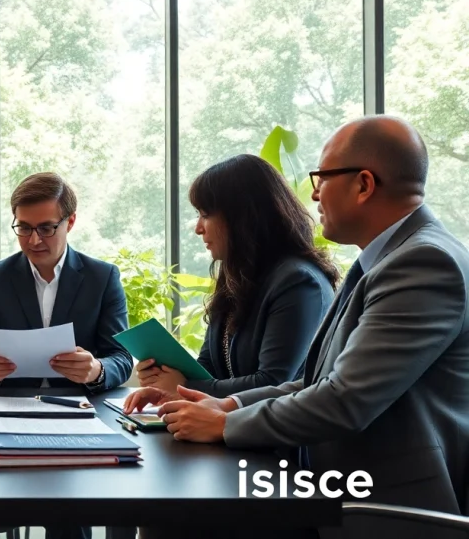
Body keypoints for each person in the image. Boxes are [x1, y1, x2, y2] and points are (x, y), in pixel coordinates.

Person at [126, 116, 469, 539]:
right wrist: (227, 407)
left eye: (321, 177)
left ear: (363, 185)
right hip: (330, 486)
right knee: (165, 516)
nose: (313, 193)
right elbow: (313, 382)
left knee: (171, 520)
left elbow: (345, 400)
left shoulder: (422, 263)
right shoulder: (381, 260)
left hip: (380, 505)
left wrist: (224, 425)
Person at [133, 154, 338, 400]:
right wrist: (164, 381)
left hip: (272, 436)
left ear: (242, 217)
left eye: (206, 215)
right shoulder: (237, 275)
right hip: (230, 430)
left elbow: (273, 382)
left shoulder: (299, 282)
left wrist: (185, 387)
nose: (198, 228)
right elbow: (208, 365)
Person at [0, 172, 133, 392]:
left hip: (81, 408)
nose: (34, 240)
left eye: (46, 228)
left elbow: (121, 357)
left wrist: (97, 370)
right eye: (24, 228)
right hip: (11, 404)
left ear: (70, 222)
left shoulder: (102, 277)